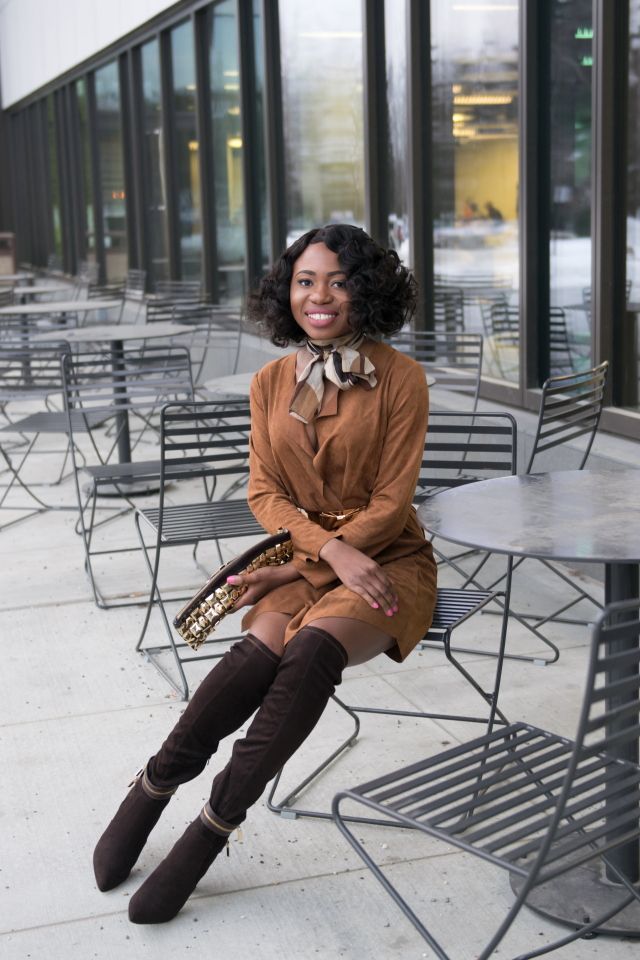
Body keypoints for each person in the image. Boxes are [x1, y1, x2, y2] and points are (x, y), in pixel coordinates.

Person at [92, 223, 437, 924]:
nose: (320, 296)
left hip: (386, 562)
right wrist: (316, 556)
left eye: (338, 281)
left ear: (364, 290)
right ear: (288, 291)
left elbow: (392, 501)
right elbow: (264, 493)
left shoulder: (401, 378)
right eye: (306, 281)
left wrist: (337, 553)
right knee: (254, 659)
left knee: (310, 652)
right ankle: (155, 782)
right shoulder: (270, 380)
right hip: (305, 562)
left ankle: (211, 828)